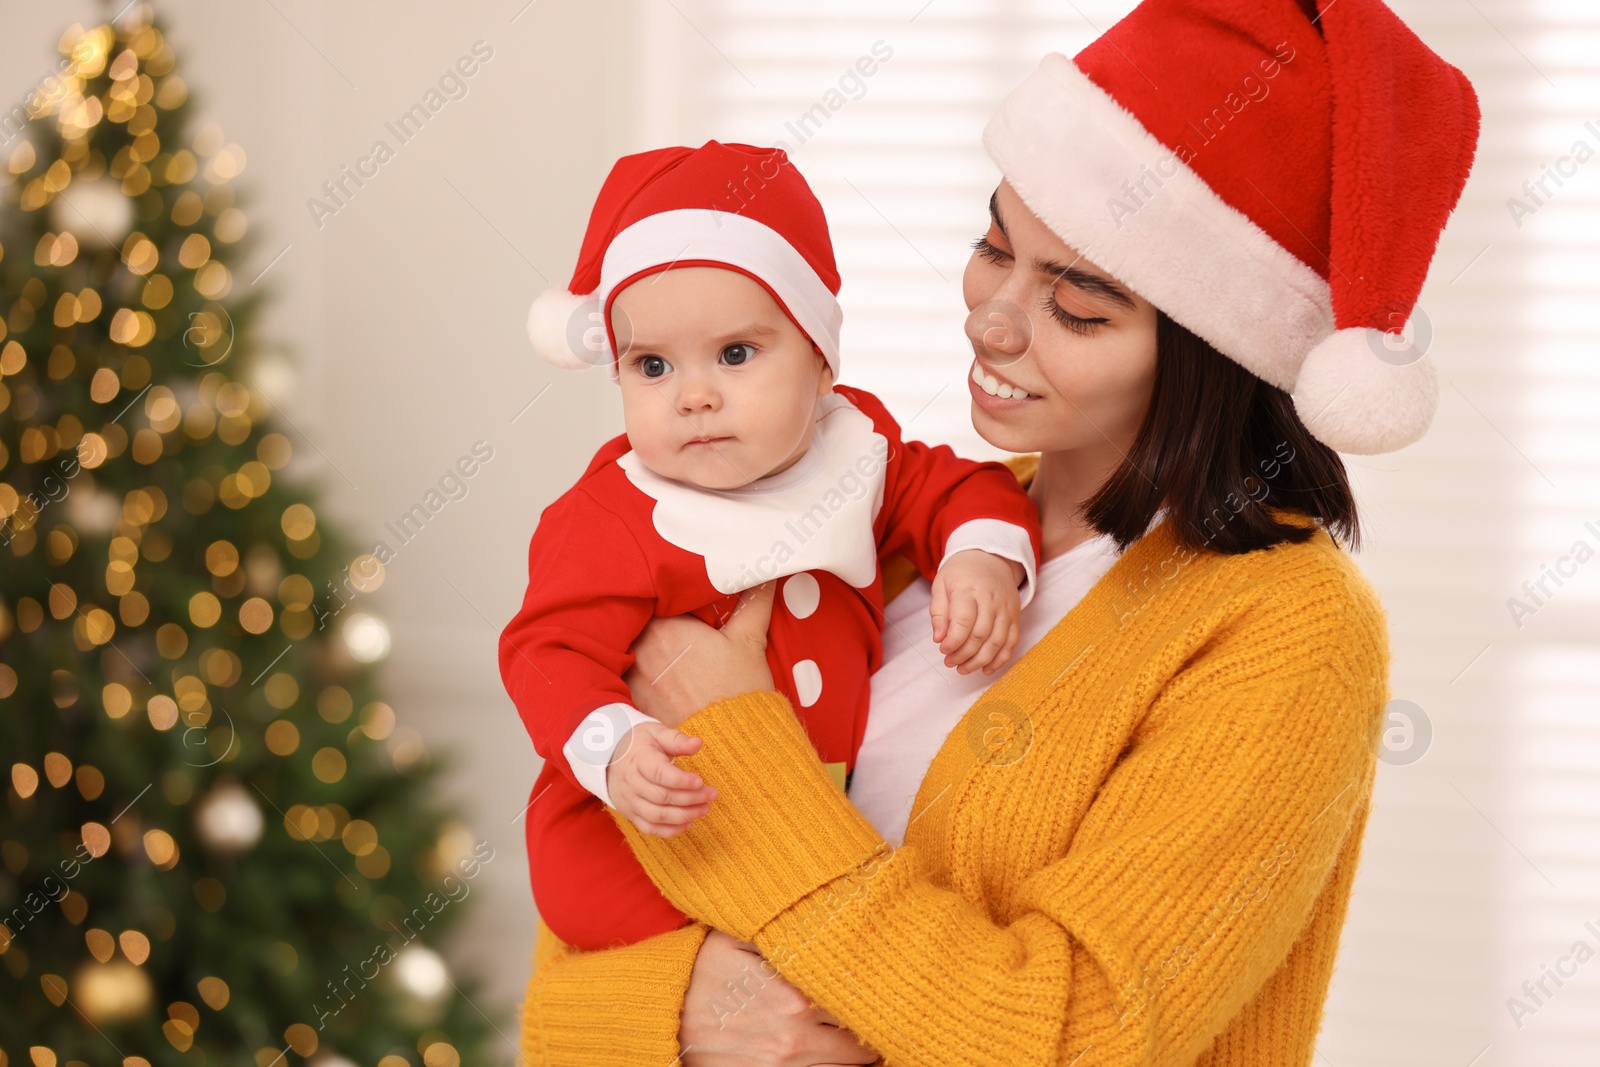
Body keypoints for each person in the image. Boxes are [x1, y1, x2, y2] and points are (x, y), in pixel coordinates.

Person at [517, 0, 1480, 1063]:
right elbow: (571, 970)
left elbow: (1066, 1036)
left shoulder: (1281, 630)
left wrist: (738, 752)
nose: (991, 318)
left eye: (1079, 306)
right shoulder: (897, 518)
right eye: (994, 245)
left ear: (1212, 351)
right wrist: (680, 1013)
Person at [502, 140, 1042, 952]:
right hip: (659, 818)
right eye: (651, 365)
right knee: (601, 897)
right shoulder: (612, 516)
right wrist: (616, 746)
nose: (694, 395)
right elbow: (545, 648)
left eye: (736, 354)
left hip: (820, 809)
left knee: (837, 915)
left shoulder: (858, 453)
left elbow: (964, 487)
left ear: (822, 364)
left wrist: (978, 557)